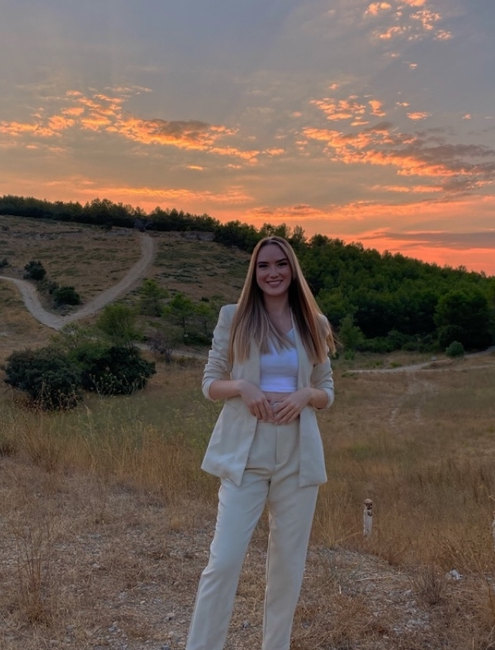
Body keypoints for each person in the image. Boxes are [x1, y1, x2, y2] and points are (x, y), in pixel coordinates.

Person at [186, 235, 335, 650]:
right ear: (254, 272)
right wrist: (242, 387)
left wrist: (306, 395)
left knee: (288, 569)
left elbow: (326, 390)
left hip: (298, 454)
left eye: (281, 264)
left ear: (293, 270)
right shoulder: (234, 317)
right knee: (224, 561)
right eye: (264, 265)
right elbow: (209, 383)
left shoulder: (315, 324)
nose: (273, 273)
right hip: (245, 453)